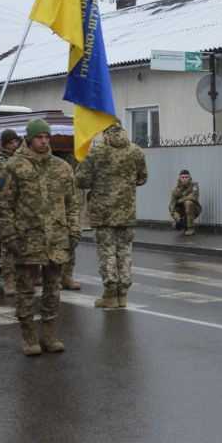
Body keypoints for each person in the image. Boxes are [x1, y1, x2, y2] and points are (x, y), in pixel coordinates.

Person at [0, 119, 79, 355]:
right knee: (25, 290)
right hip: (27, 239)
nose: (44, 141)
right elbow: (3, 206)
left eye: (47, 137)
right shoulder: (14, 167)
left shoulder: (61, 167)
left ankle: (49, 334)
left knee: (53, 289)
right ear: (29, 139)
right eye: (39, 137)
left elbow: (72, 204)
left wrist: (73, 231)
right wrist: (9, 236)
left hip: (56, 239)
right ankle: (28, 335)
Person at [75, 122, 148, 310]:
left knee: (107, 253)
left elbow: (81, 180)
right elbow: (142, 178)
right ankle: (123, 295)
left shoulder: (96, 151)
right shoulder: (136, 151)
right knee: (124, 252)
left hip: (103, 212)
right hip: (127, 211)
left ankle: (110, 294)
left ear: (104, 129)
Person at [0, 129, 23, 296]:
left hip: (21, 207)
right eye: (10, 143)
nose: (14, 145)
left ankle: (20, 277)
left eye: (16, 142)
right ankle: (8, 280)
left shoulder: (19, 159)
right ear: (4, 144)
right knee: (7, 246)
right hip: (5, 206)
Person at [169, 170, 201, 236]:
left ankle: (190, 229)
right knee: (176, 225)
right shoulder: (176, 190)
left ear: (189, 178)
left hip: (195, 209)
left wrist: (180, 200)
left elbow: (193, 197)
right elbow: (171, 206)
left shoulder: (194, 185)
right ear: (180, 178)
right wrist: (178, 219)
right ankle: (184, 225)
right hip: (183, 211)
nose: (184, 179)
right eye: (182, 177)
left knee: (188, 203)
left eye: (186, 177)